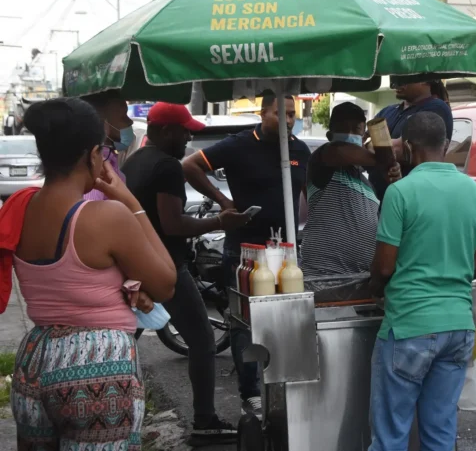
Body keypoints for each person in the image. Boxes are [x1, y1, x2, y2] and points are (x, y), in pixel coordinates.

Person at [4, 97, 176, 450]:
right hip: (95, 364)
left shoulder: (19, 206)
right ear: (92, 154)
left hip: (34, 359)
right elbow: (166, 283)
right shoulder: (106, 216)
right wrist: (130, 201)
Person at [122, 102, 251, 446]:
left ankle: (119, 407)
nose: (190, 136)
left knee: (124, 339)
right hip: (164, 266)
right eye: (185, 130)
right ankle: (205, 420)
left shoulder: (134, 161)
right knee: (202, 339)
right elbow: (172, 224)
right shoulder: (166, 166)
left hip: (133, 264)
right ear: (165, 131)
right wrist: (219, 221)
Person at [182, 92, 311, 417]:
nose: (288, 121)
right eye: (280, 114)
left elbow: (309, 193)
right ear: (263, 113)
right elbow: (190, 165)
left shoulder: (298, 149)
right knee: (246, 322)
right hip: (245, 251)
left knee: (286, 317)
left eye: (293, 114)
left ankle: (282, 387)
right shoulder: (239, 145)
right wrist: (224, 203)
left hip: (286, 252)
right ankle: (250, 392)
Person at [368, 112, 476, 451]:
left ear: (406, 147)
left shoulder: (400, 193)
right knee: (439, 434)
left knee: (391, 436)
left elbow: (384, 266)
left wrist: (374, 290)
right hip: (459, 327)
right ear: (446, 145)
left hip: (410, 326)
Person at [300, 102, 400, 277]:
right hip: (324, 274)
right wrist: (382, 160)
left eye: (356, 129)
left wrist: (393, 173)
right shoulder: (322, 158)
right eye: (344, 129)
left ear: (363, 137)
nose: (351, 134)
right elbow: (339, 152)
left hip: (361, 277)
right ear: (330, 135)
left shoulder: (367, 184)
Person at [368, 79, 454, 201]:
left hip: (413, 199)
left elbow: (399, 150)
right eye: (395, 78)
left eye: (404, 79)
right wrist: (374, 146)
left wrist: (372, 145)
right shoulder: (387, 111)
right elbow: (362, 144)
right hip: (376, 200)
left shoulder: (436, 108)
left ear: (425, 80)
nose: (397, 84)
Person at [81, 90, 135, 201]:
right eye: (123, 116)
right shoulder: (98, 169)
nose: (130, 122)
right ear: (104, 124)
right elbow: (92, 213)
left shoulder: (109, 160)